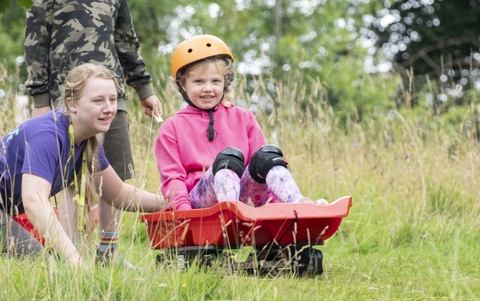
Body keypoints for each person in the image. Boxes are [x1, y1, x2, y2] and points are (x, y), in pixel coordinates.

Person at [24, 0, 163, 263]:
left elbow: (126, 40)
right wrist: (40, 99)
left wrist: (144, 89)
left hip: (111, 95)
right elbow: (35, 41)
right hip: (65, 95)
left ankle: (107, 250)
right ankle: (68, 251)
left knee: (116, 171)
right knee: (65, 176)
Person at [0, 63, 166, 267]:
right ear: (72, 104)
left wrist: (172, 203)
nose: (109, 108)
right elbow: (34, 202)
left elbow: (119, 194)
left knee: (52, 264)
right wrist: (75, 262)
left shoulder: (87, 141)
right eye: (98, 100)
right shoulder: (48, 135)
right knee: (43, 266)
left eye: (112, 100)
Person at [155, 34, 327, 210]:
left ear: (225, 82)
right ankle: (230, 212)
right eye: (199, 81)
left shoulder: (244, 118)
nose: (208, 88)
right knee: (227, 162)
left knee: (267, 157)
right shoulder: (172, 127)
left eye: (215, 81)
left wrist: (276, 208)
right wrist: (184, 212)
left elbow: (262, 174)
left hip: (245, 200)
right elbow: (173, 179)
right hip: (199, 206)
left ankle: (297, 204)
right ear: (182, 85)